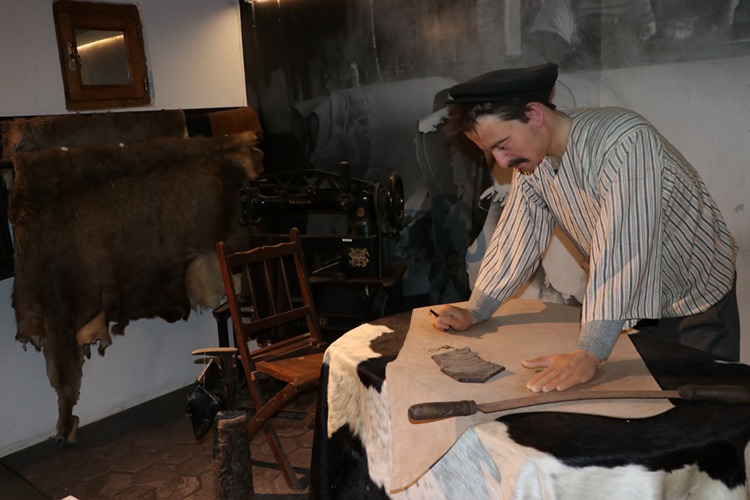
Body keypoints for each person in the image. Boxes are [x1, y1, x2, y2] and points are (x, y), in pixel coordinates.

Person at [431, 63, 739, 394]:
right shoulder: (533, 164)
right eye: (492, 151)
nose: (503, 161)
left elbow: (622, 248)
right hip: (639, 304)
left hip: (696, 303)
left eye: (503, 144)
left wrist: (590, 350)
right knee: (653, 406)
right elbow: (518, 236)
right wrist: (477, 308)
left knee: (707, 409)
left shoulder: (625, 142)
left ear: (534, 114)